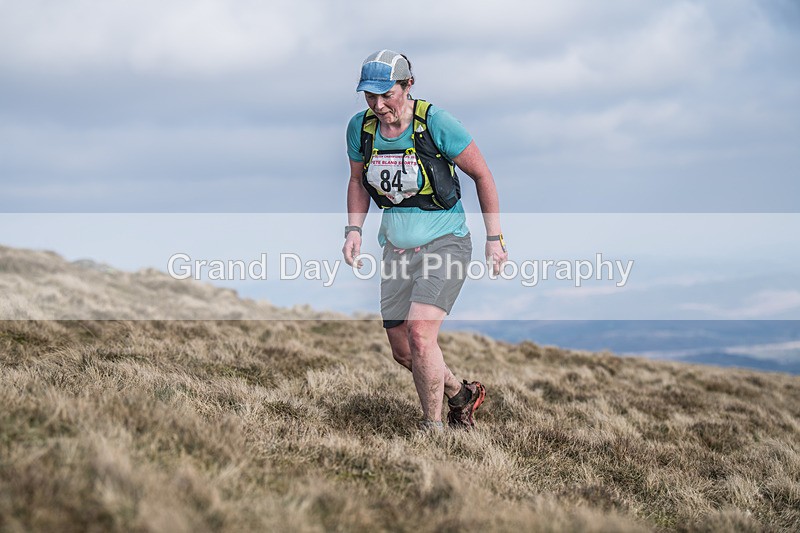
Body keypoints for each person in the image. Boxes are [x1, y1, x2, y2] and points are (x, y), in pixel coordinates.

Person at [342, 50, 507, 431]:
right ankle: (460, 394)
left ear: (408, 86)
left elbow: (483, 176)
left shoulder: (436, 123)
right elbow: (356, 181)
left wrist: (494, 238)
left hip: (445, 242)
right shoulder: (360, 129)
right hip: (396, 248)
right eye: (370, 96)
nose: (378, 105)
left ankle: (432, 431)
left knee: (420, 335)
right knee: (404, 351)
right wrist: (354, 230)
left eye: (387, 95)